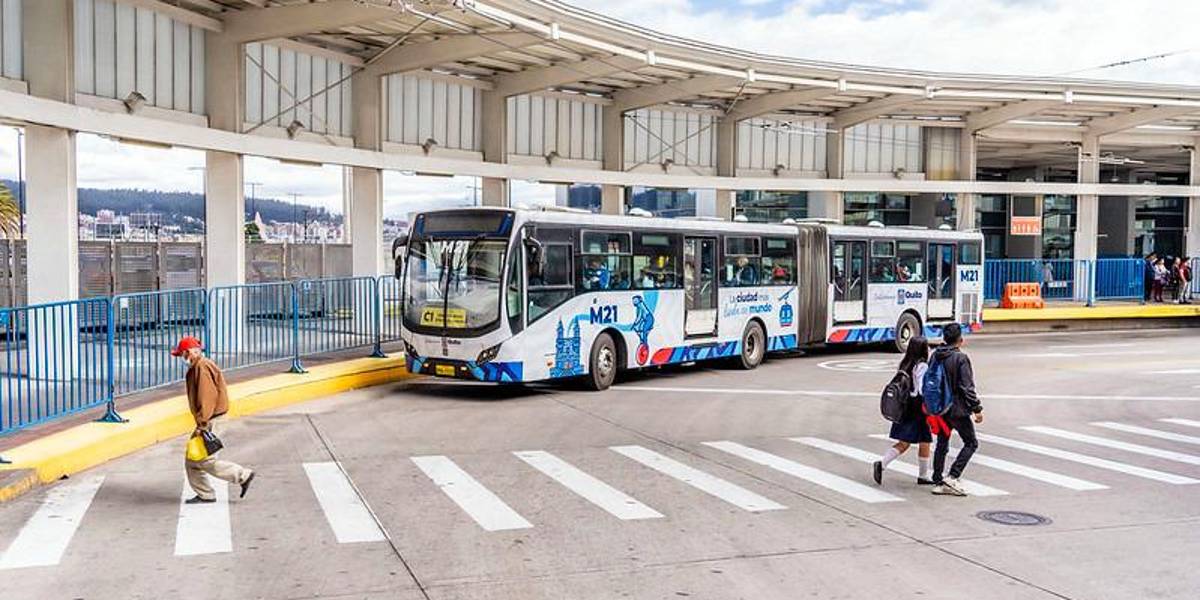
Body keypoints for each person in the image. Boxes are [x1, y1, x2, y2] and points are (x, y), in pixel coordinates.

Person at [174, 336, 255, 504]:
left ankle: (242, 475)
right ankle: (205, 494)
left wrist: (202, 425)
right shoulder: (199, 366)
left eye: (182, 355)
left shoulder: (202, 368)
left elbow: (207, 398)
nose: (182, 359)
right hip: (210, 418)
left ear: (189, 352)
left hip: (211, 419)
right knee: (192, 459)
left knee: (204, 459)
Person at [929, 323, 983, 497]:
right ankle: (953, 476)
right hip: (958, 409)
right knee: (971, 442)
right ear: (960, 340)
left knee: (942, 442)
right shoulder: (961, 358)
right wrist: (977, 408)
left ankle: (937, 479)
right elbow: (967, 387)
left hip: (940, 407)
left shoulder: (935, 356)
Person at [873, 336, 934, 486]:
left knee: (904, 442)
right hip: (918, 408)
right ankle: (923, 475)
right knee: (925, 440)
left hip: (906, 406)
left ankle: (882, 463)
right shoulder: (922, 366)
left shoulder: (905, 363)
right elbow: (921, 389)